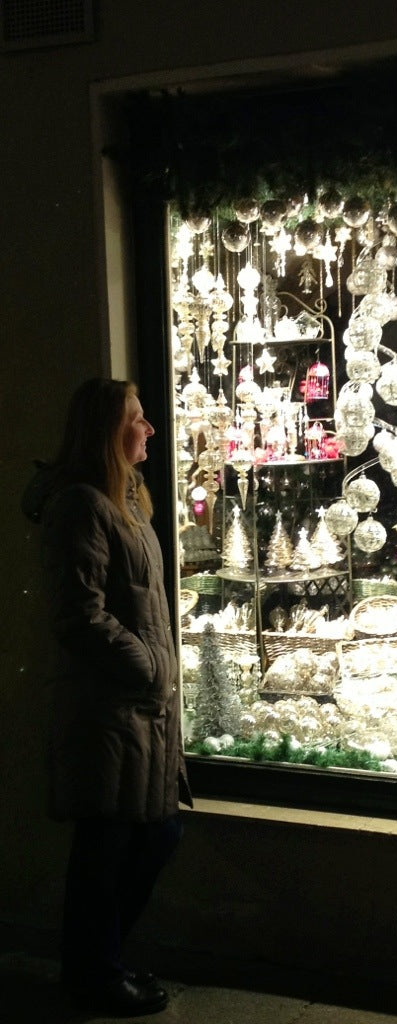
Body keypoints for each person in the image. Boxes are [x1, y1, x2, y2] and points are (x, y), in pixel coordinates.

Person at [22, 378, 192, 1017]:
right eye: (137, 418)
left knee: (149, 835)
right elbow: (78, 614)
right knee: (111, 846)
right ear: (106, 431)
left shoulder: (129, 503)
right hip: (109, 711)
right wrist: (147, 665)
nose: (149, 429)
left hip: (137, 710)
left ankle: (101, 962)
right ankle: (94, 972)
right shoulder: (84, 508)